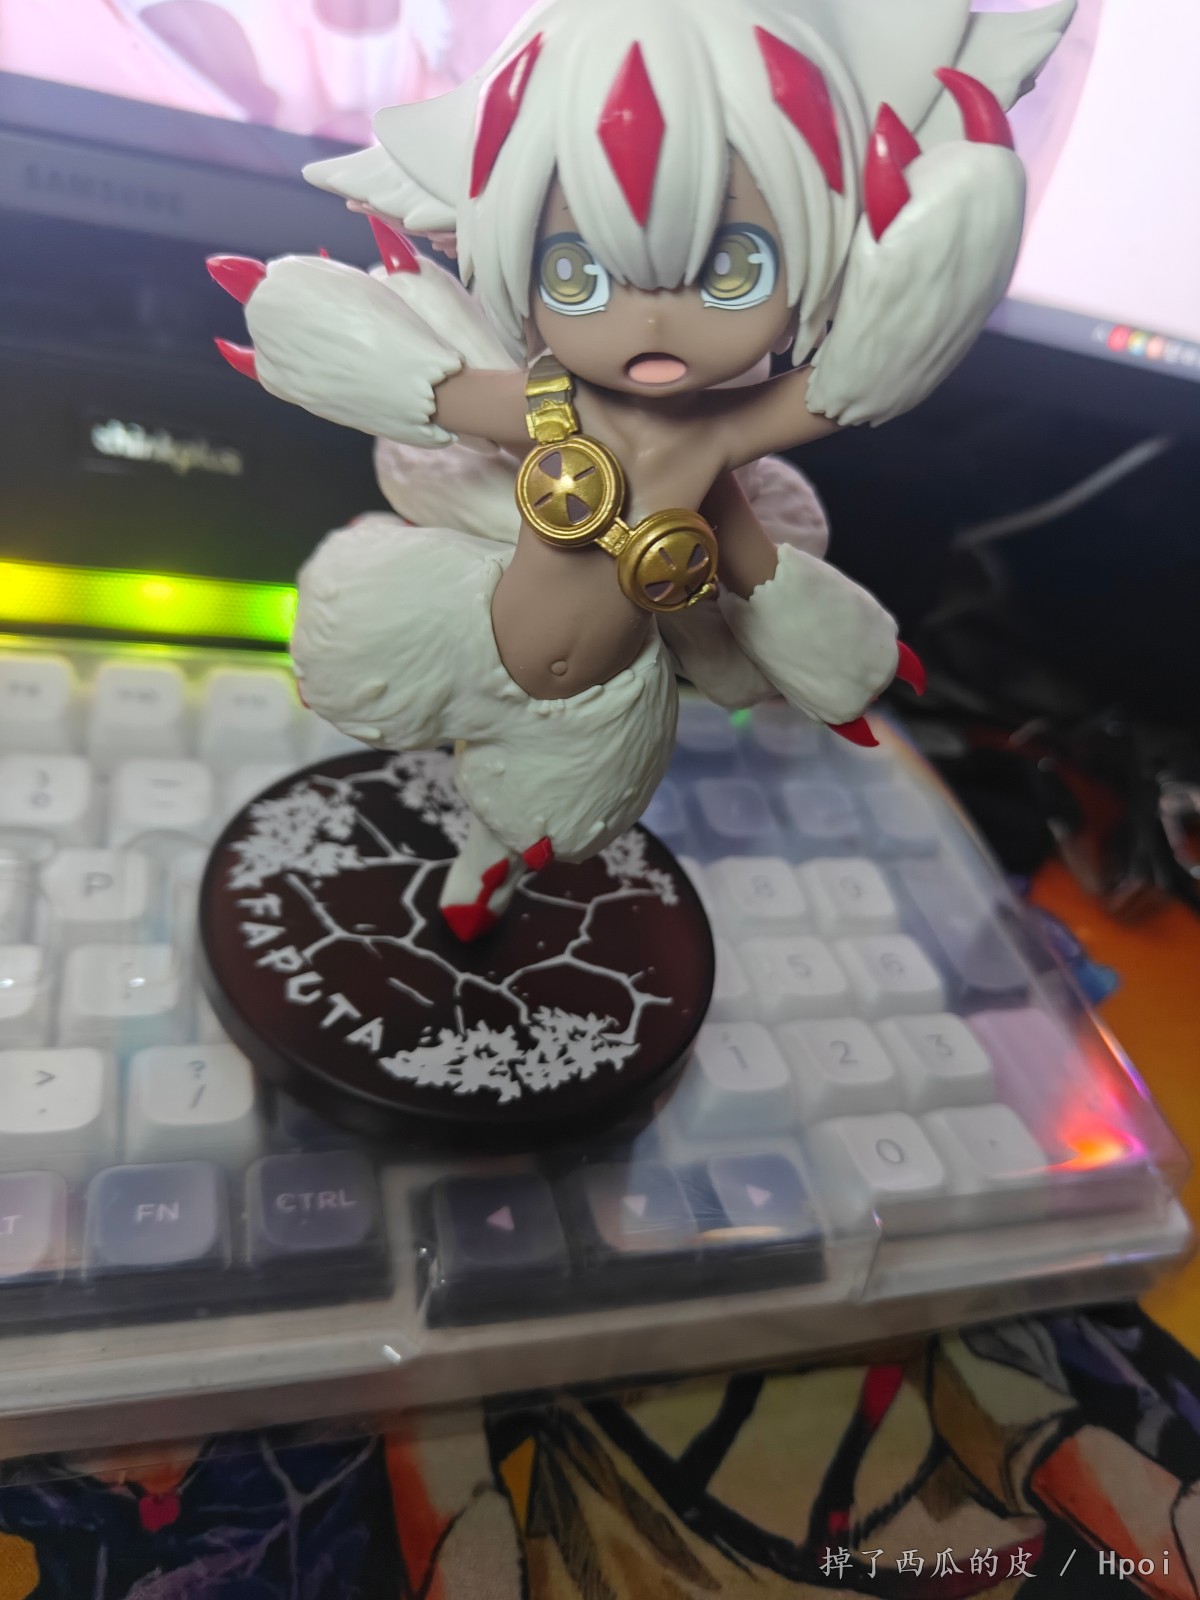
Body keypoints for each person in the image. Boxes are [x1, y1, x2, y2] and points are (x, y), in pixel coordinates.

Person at [208, 0, 1075, 938]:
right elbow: (437, 390)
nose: (653, 322)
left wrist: (943, 267)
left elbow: (836, 407)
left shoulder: (715, 446)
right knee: (367, 689)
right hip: (450, 631)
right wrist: (303, 330)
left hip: (602, 704)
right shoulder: (549, 405)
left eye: (734, 268)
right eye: (575, 273)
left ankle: (482, 869)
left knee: (541, 828)